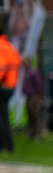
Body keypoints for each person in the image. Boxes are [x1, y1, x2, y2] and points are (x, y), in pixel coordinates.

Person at [0, 13, 21, 154]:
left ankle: (4, 144)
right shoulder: (9, 45)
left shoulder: (1, 46)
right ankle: (8, 144)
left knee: (1, 117)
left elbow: (1, 67)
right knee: (4, 116)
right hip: (10, 85)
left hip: (3, 85)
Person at [21, 65, 44, 140]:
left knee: (35, 115)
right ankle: (32, 133)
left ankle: (38, 133)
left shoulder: (33, 72)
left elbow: (39, 85)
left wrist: (39, 97)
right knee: (30, 115)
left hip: (34, 96)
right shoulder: (25, 72)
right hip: (28, 96)